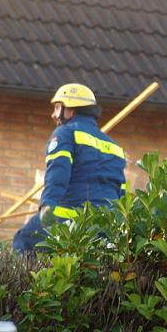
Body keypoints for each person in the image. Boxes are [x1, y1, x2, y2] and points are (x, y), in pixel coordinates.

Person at [12, 83, 126, 253]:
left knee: (24, 241)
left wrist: (47, 209)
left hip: (70, 220)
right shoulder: (114, 146)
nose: (53, 114)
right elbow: (121, 190)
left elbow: (57, 174)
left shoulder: (65, 134)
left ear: (71, 110)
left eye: (58, 108)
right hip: (105, 227)